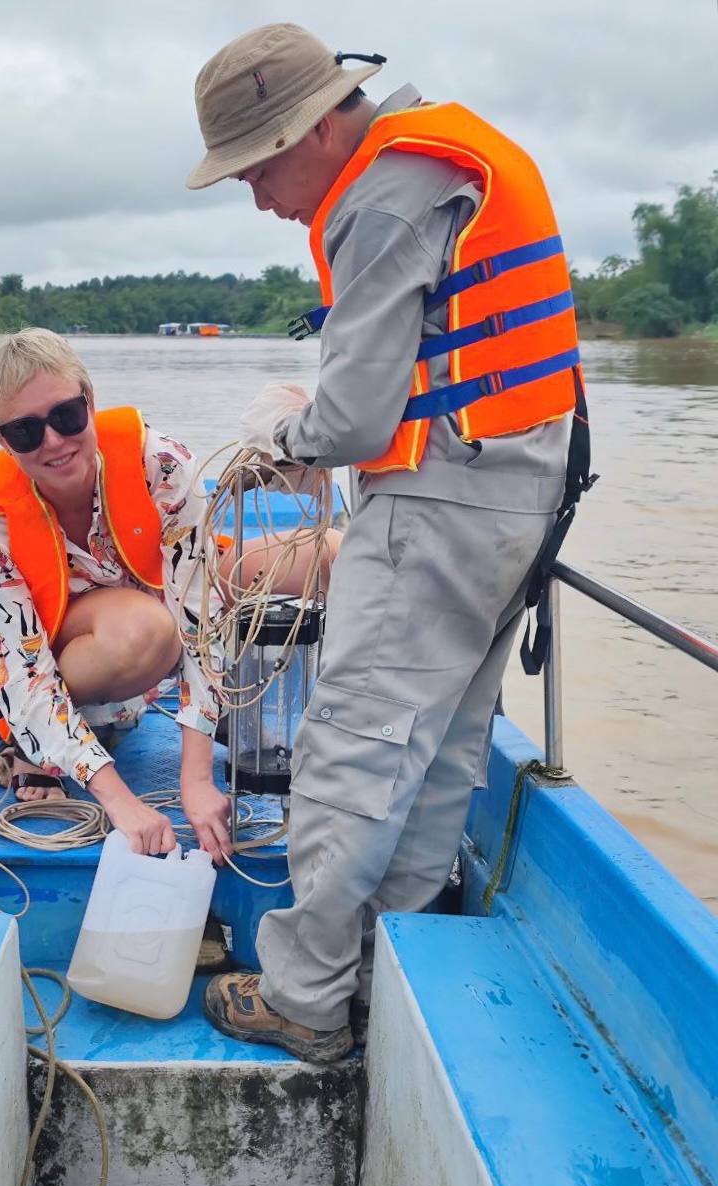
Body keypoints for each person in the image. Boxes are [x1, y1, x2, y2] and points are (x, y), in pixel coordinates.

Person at [187, 24, 591, 1062]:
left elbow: (358, 419)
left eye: (258, 167)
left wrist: (285, 435)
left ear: (318, 128)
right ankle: (388, 969)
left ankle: (303, 995)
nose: (259, 197)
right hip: (522, 498)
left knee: (351, 743)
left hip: (438, 504)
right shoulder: (450, 154)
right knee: (440, 747)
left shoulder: (378, 197)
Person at [0, 328, 233, 860]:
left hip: (156, 631)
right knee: (143, 630)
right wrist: (120, 802)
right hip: (72, 658)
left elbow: (202, 616)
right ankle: (36, 744)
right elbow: (21, 670)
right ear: (0, 438)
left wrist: (196, 780)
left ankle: (185, 712)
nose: (54, 442)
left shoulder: (161, 462)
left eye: (66, 416)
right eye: (25, 430)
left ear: (90, 402)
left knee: (311, 558)